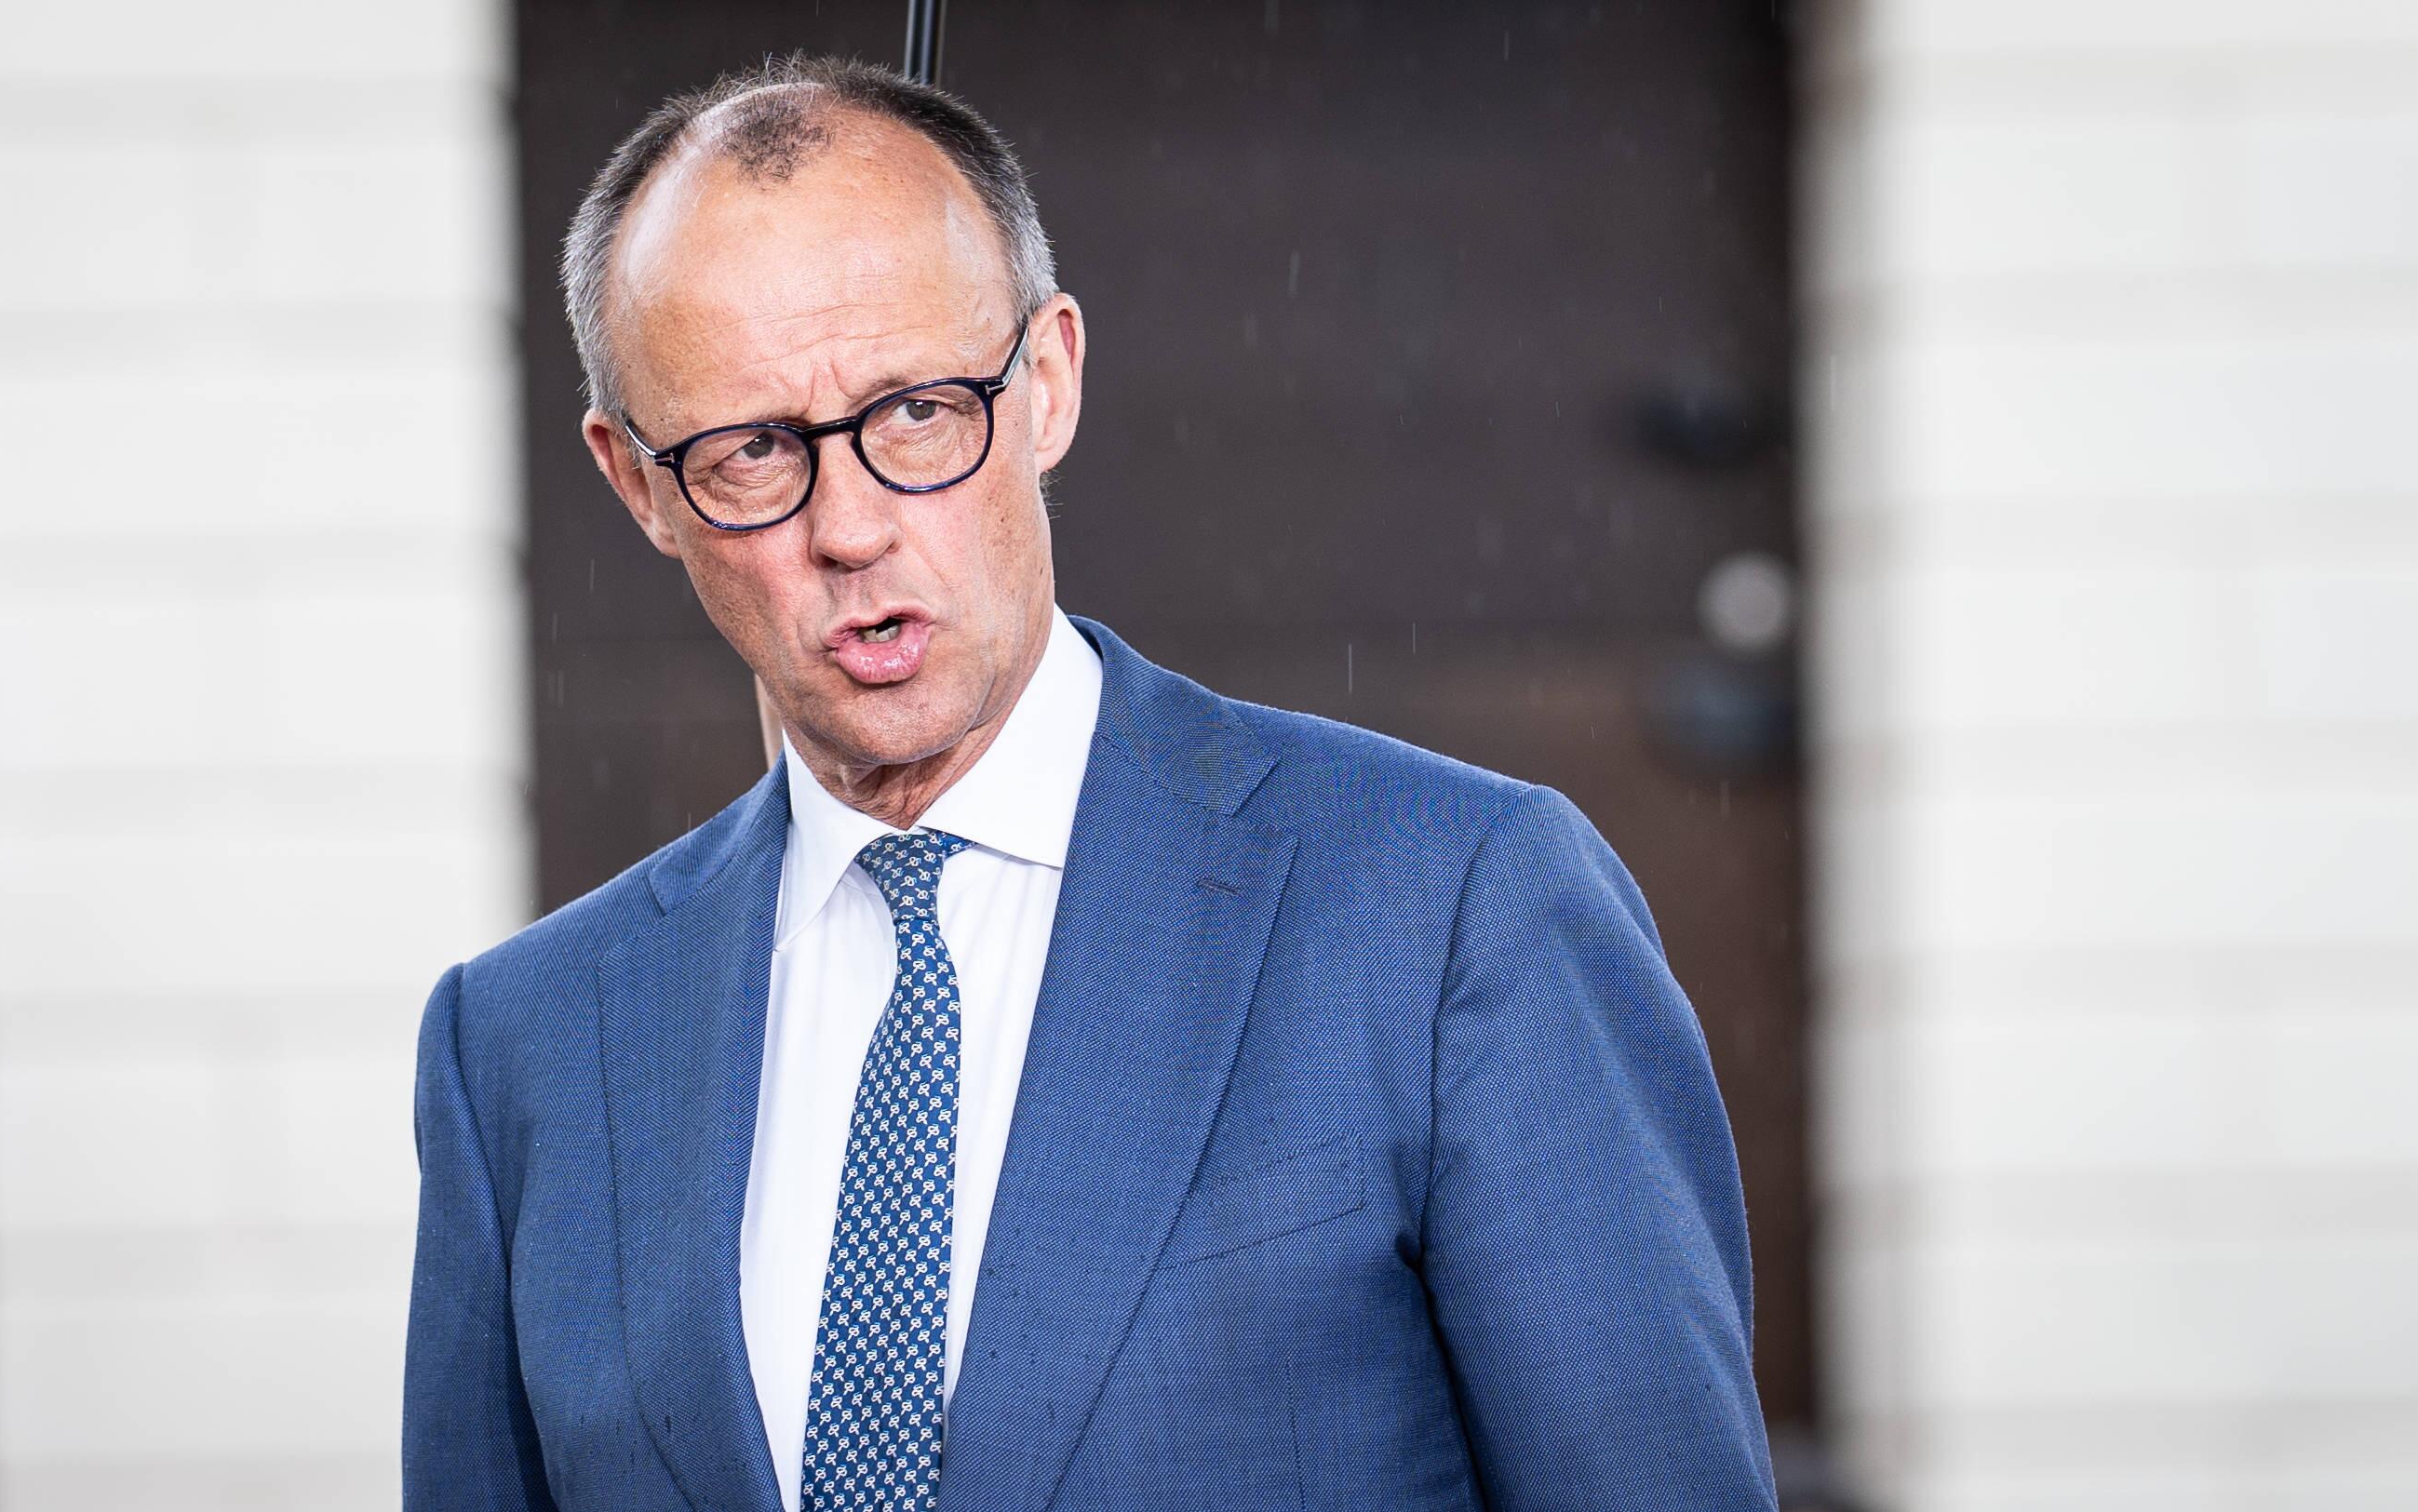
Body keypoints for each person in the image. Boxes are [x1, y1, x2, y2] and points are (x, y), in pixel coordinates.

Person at [405, 55, 1775, 1512]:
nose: (850, 526)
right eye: (750, 451)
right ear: (637, 486)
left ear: (1046, 381)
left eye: (916, 411)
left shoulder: (1450, 908)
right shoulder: (522, 1049)